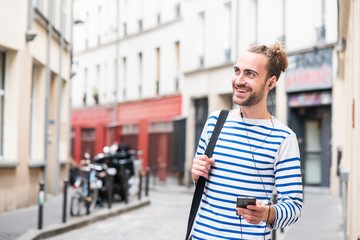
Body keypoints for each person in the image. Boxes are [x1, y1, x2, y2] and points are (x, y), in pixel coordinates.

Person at [191, 43, 303, 239]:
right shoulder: (214, 122)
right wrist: (196, 174)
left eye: (250, 74)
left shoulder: (284, 138)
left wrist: (267, 213)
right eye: (237, 71)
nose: (239, 80)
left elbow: (293, 206)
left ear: (271, 82)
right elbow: (201, 186)